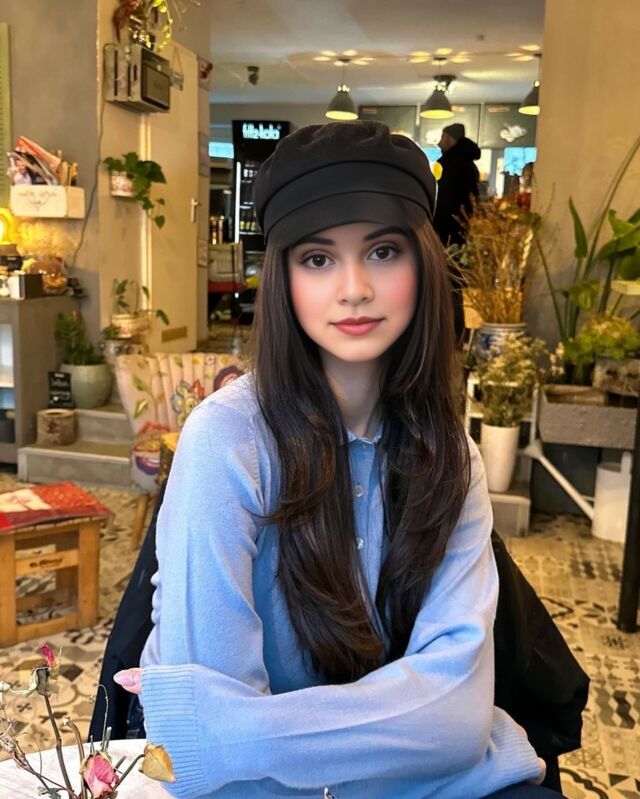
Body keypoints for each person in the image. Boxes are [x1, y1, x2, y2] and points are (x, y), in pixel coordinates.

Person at [113, 121, 561, 799]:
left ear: (423, 264)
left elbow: (456, 719)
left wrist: (234, 734)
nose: (354, 288)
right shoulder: (228, 443)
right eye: (318, 259)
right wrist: (411, 730)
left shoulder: (451, 455)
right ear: (283, 278)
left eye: (382, 251)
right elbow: (209, 770)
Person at [432, 122, 481, 247]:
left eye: (442, 138)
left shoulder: (445, 165)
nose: (439, 143)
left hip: (445, 230)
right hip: (464, 227)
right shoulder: (471, 166)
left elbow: (441, 199)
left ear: (449, 139)